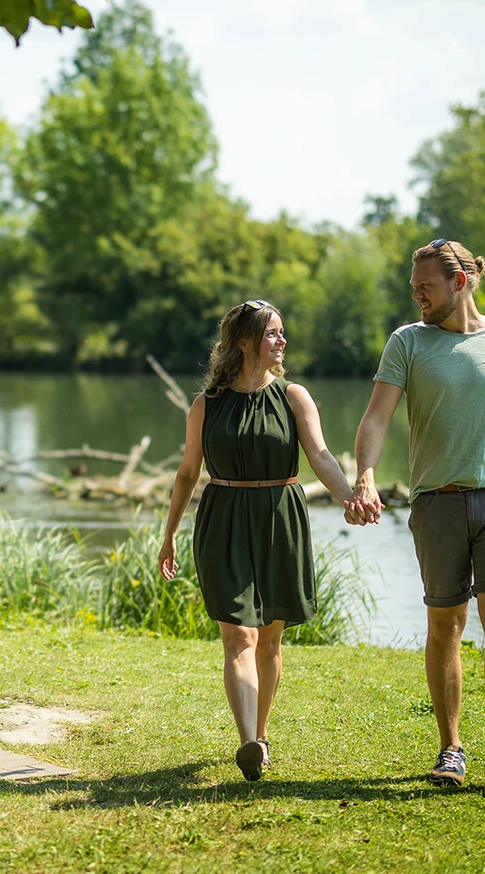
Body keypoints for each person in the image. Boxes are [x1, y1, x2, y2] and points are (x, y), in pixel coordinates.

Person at [346, 239, 485, 793]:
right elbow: (376, 417)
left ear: (459, 283)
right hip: (435, 499)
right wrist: (365, 474)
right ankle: (451, 747)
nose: (417, 296)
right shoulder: (407, 343)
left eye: (425, 287)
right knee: (445, 623)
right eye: (413, 288)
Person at [158, 299, 356, 782]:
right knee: (238, 636)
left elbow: (322, 456)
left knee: (269, 641)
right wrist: (169, 537)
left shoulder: (294, 396)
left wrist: (352, 496)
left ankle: (261, 735)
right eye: (272, 334)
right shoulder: (207, 405)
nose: (282, 341)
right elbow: (187, 474)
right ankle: (248, 741)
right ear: (244, 342)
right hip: (223, 521)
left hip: (279, 519)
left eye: (282, 333)